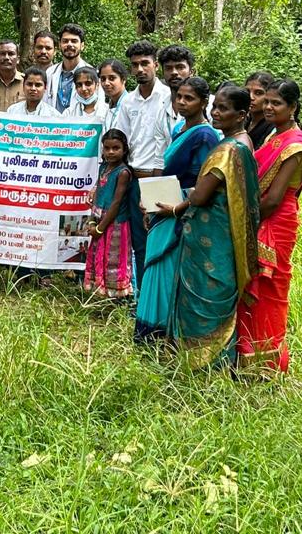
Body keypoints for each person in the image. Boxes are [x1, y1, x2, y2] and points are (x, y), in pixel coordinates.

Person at [136, 85, 260, 368]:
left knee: (206, 291)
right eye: (216, 107)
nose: (216, 113)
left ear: (241, 114)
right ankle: (213, 357)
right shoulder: (241, 142)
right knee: (215, 290)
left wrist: (175, 208)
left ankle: (203, 359)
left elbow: (201, 195)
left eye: (223, 109)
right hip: (220, 230)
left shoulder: (228, 150)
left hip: (212, 231)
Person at [237, 79, 302, 373]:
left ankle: (267, 361)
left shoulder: (295, 145)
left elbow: (274, 198)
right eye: (266, 101)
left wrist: (242, 217)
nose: (268, 107)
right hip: (259, 216)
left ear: (292, 107)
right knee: (250, 285)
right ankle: (245, 354)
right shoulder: (273, 138)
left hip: (275, 221)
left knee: (270, 289)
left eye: (276, 103)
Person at [134, 77, 220, 333]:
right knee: (154, 265)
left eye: (189, 98)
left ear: (204, 102)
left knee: (168, 266)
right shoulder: (179, 128)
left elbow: (205, 182)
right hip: (163, 201)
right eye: (179, 97)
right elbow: (166, 169)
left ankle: (164, 328)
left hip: (183, 208)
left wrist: (175, 209)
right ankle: (148, 327)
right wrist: (147, 200)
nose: (181, 102)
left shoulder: (206, 135)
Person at [114, 41, 172, 282]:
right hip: (135, 178)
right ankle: (142, 299)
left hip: (162, 178)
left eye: (145, 63)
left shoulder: (169, 97)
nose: (140, 69)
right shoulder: (128, 101)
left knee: (162, 241)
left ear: (155, 65)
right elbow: (121, 141)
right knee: (139, 242)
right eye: (135, 65)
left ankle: (161, 300)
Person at [83, 129, 135, 298]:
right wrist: (92, 220)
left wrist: (100, 228)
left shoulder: (123, 173)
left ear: (124, 149)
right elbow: (98, 190)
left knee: (112, 259)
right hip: (100, 219)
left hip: (114, 223)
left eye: (116, 148)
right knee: (99, 255)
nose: (111, 152)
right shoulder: (104, 167)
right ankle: (99, 290)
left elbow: (116, 203)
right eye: (107, 148)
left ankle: (116, 295)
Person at [44, 24, 91, 112]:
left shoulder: (93, 74)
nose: (69, 44)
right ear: (59, 45)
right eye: (65, 41)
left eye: (74, 41)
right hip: (52, 124)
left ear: (82, 45)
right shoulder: (50, 73)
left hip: (79, 124)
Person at [245, 71, 275, 150]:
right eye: (247, 91)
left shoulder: (272, 127)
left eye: (258, 93)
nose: (251, 97)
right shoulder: (244, 120)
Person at [98, 59, 128, 132]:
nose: (106, 83)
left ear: (123, 79)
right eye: (103, 79)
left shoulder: (130, 105)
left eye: (112, 78)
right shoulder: (108, 107)